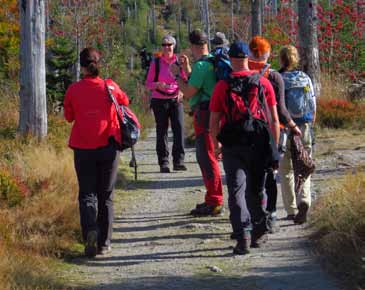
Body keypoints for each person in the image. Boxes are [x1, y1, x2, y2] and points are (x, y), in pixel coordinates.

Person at [209, 41, 280, 254]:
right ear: (248, 59)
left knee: (236, 191)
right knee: (257, 189)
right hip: (258, 142)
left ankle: (243, 237)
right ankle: (259, 231)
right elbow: (274, 119)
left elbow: (213, 121)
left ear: (231, 59)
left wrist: (216, 145)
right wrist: (273, 147)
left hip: (232, 143)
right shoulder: (263, 83)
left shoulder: (222, 85)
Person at [64, 47, 129, 257]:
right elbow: (125, 102)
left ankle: (90, 231)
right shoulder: (109, 86)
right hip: (108, 147)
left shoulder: (73, 89)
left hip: (83, 148)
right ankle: (104, 243)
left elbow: (68, 117)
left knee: (87, 194)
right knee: (106, 195)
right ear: (98, 64)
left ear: (81, 67)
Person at [248, 36, 302, 231]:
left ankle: (254, 214)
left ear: (250, 52)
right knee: (270, 174)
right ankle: (271, 214)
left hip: (247, 131)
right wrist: (293, 125)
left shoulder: (240, 73)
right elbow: (280, 110)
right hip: (271, 131)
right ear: (267, 53)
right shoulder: (273, 77)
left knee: (251, 176)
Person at [170, 29, 224, 216]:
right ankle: (212, 198)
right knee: (207, 156)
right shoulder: (210, 62)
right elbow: (200, 83)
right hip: (211, 113)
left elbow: (189, 92)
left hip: (205, 115)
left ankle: (215, 200)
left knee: (207, 158)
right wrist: (186, 70)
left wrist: (177, 75)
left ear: (194, 46)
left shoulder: (202, 66)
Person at [278, 45, 317, 224]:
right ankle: (305, 200)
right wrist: (309, 123)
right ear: (296, 59)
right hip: (305, 126)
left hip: (285, 128)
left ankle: (292, 209)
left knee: (286, 169)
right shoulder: (305, 78)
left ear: (281, 59)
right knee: (305, 164)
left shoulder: (278, 78)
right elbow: (312, 104)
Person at [145, 35, 186, 173]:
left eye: (169, 45)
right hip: (159, 100)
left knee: (179, 129)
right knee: (161, 131)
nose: (167, 47)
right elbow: (148, 84)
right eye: (164, 45)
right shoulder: (156, 62)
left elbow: (186, 80)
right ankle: (164, 163)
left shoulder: (180, 62)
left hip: (176, 99)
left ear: (174, 46)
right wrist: (158, 84)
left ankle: (179, 161)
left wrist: (182, 91)